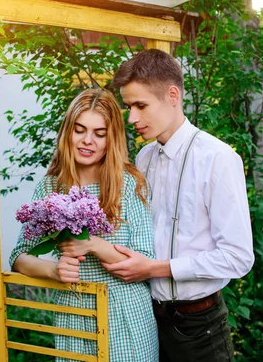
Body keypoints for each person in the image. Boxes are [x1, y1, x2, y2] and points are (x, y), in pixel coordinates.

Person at [102, 49, 255, 362]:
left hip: (200, 328)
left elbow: (238, 258)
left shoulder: (219, 158)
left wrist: (155, 269)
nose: (131, 118)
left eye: (140, 105)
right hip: (146, 320)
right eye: (129, 106)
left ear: (172, 95)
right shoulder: (143, 158)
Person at [9, 88, 158, 361]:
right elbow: (19, 256)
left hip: (124, 313)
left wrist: (92, 244)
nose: (88, 141)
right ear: (69, 132)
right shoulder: (51, 188)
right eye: (80, 130)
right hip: (74, 312)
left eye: (99, 134)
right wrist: (53, 270)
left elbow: (146, 260)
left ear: (110, 139)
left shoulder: (128, 184)